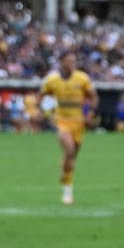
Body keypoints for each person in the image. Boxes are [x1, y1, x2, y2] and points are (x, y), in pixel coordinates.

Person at [40, 51, 97, 205]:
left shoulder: (82, 78)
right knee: (69, 150)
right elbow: (42, 96)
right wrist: (47, 113)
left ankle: (65, 173)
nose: (73, 63)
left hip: (78, 122)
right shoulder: (52, 80)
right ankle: (67, 191)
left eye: (74, 61)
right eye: (69, 61)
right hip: (62, 121)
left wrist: (90, 114)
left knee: (71, 158)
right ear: (61, 62)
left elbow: (93, 96)